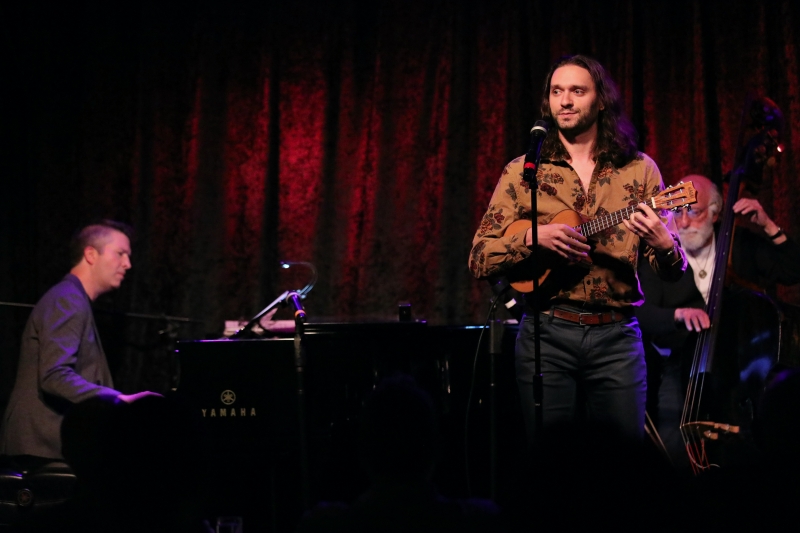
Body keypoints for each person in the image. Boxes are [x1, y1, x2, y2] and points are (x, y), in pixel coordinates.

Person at [469, 54, 686, 443]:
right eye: (557, 91)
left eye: (577, 91)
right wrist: (534, 238)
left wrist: (665, 243)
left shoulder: (639, 170)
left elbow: (671, 270)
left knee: (622, 465)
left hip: (617, 338)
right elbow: (479, 257)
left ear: (601, 100)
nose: (565, 100)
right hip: (545, 335)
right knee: (550, 467)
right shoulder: (524, 171)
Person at [636, 174, 800, 465]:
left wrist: (768, 225)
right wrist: (678, 314)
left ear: (715, 212)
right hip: (680, 364)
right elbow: (642, 312)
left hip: (739, 364)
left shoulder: (736, 242)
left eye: (694, 211)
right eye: (677, 211)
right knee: (673, 439)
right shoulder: (659, 254)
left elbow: (792, 270)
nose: (683, 222)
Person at [0, 220, 158, 462]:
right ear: (91, 254)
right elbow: (54, 375)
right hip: (39, 448)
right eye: (120, 253)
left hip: (44, 446)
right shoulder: (68, 299)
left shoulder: (74, 299)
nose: (128, 264)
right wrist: (116, 399)